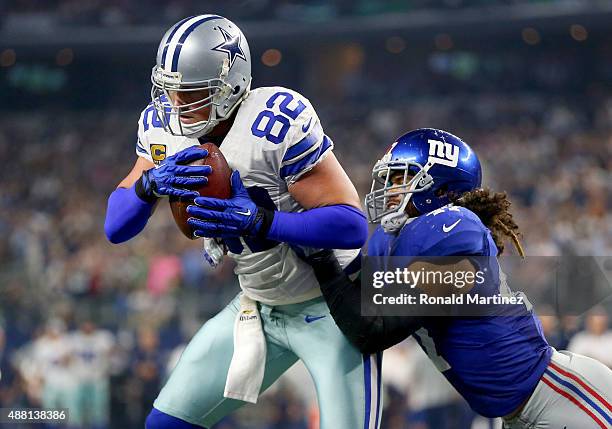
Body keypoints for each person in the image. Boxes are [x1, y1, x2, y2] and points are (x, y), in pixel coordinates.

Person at [104, 15, 375, 429]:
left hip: (334, 305)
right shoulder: (165, 128)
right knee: (165, 423)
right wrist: (148, 185)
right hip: (259, 305)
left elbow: (351, 224)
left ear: (231, 84)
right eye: (171, 92)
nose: (177, 106)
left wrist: (263, 222)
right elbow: (115, 228)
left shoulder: (274, 120)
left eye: (191, 94)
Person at [309, 128, 612, 428]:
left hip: (561, 397)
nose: (389, 189)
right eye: (389, 178)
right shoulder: (391, 240)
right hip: (517, 414)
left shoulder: (453, 227)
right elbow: (352, 305)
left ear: (441, 189)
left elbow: (372, 331)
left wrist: (320, 256)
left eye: (402, 178)